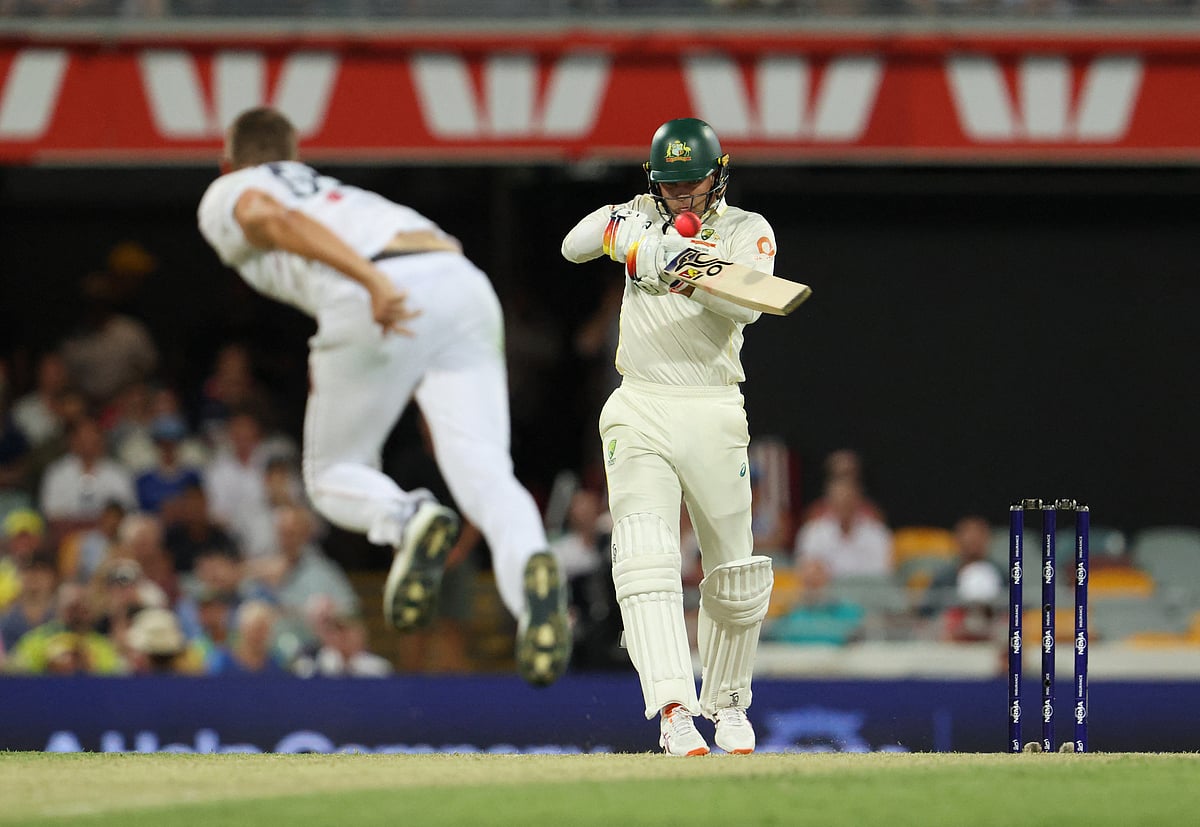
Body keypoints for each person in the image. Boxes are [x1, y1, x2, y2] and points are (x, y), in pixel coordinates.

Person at [196, 106, 569, 687]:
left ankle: (406, 517)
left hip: (378, 285)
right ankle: (531, 583)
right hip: (460, 281)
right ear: (295, 159)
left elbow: (265, 214)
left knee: (331, 475)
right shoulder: (337, 193)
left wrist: (370, 279)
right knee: (485, 471)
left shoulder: (231, 189)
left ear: (228, 163)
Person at [561, 117, 777, 755]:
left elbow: (749, 303)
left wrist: (681, 264)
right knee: (645, 558)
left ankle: (728, 703)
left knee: (736, 570)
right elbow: (573, 245)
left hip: (712, 405)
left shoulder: (747, 229)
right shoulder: (637, 214)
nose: (682, 195)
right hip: (640, 403)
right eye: (671, 184)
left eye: (694, 183)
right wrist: (627, 238)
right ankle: (674, 710)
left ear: (719, 175)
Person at [793, 477, 892, 579]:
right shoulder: (812, 533)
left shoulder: (878, 534)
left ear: (858, 502)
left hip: (868, 588)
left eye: (848, 503)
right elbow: (807, 573)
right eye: (839, 503)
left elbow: (883, 574)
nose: (844, 508)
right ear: (829, 503)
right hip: (827, 589)